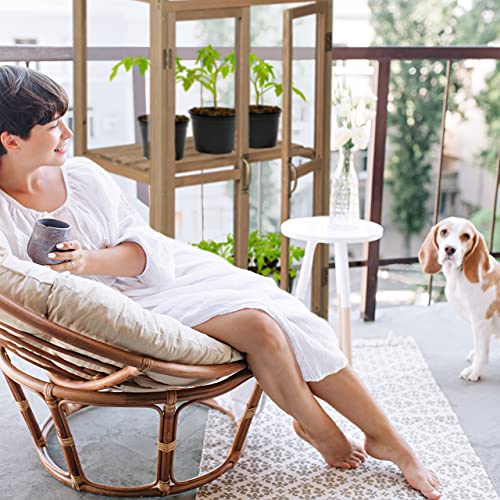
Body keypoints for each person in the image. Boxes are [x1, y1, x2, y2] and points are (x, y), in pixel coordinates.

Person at [0, 65, 441, 499]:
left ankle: (389, 441)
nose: (68, 134)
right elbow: (33, 297)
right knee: (259, 324)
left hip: (154, 271)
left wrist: (88, 260)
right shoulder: (4, 216)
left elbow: (143, 243)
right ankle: (317, 425)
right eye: (53, 126)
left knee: (284, 310)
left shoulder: (83, 175)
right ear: (11, 140)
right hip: (112, 311)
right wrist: (77, 273)